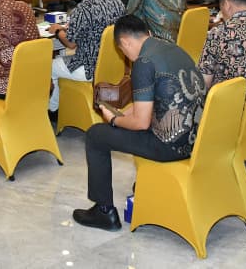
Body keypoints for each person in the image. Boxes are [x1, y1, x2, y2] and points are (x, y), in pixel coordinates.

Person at [72, 15, 206, 231]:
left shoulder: (143, 63)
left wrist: (114, 119)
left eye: (122, 51)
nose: (126, 56)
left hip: (170, 146)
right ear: (148, 34)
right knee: (118, 125)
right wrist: (123, 114)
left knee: (96, 135)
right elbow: (150, 101)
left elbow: (142, 123)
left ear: (125, 43)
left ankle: (104, 211)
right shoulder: (172, 48)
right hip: (196, 138)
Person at [48, 0, 126, 113]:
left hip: (88, 68)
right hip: (113, 64)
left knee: (50, 66)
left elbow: (71, 43)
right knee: (61, 60)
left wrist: (58, 31)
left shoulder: (83, 8)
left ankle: (53, 110)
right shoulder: (117, 1)